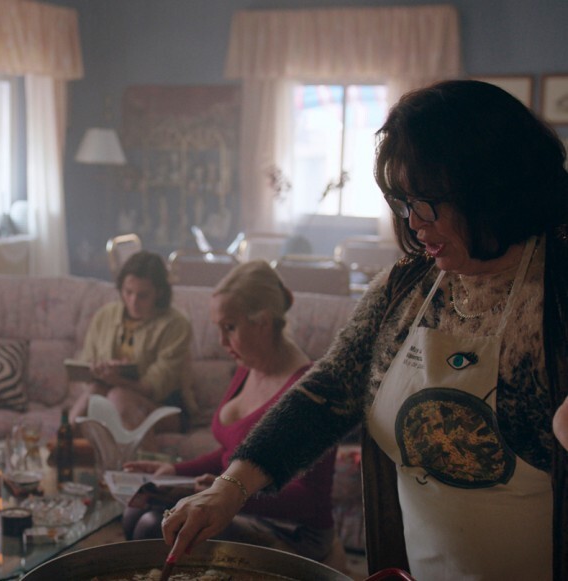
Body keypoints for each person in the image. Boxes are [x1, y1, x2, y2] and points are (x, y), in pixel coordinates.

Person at [161, 80, 568, 581]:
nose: (413, 223)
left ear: (488, 189)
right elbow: (329, 391)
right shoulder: (406, 288)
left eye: (427, 202)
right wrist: (229, 488)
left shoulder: (557, 292)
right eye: (403, 203)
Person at [121, 260, 337, 563]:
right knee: (136, 511)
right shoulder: (247, 366)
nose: (221, 341)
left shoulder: (311, 392)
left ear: (262, 322)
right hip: (237, 502)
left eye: (230, 327)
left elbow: (309, 500)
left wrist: (230, 493)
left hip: (293, 530)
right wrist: (175, 471)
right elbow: (232, 454)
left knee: (152, 527)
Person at [70, 250, 196, 432]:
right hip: (107, 394)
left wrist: (117, 380)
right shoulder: (105, 315)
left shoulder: (176, 324)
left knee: (118, 396)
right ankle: (65, 439)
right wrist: (98, 370)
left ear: (159, 293)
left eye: (142, 295)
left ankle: (131, 450)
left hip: (164, 405)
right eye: (128, 292)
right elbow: (86, 364)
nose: (133, 301)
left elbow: (155, 386)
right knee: (94, 392)